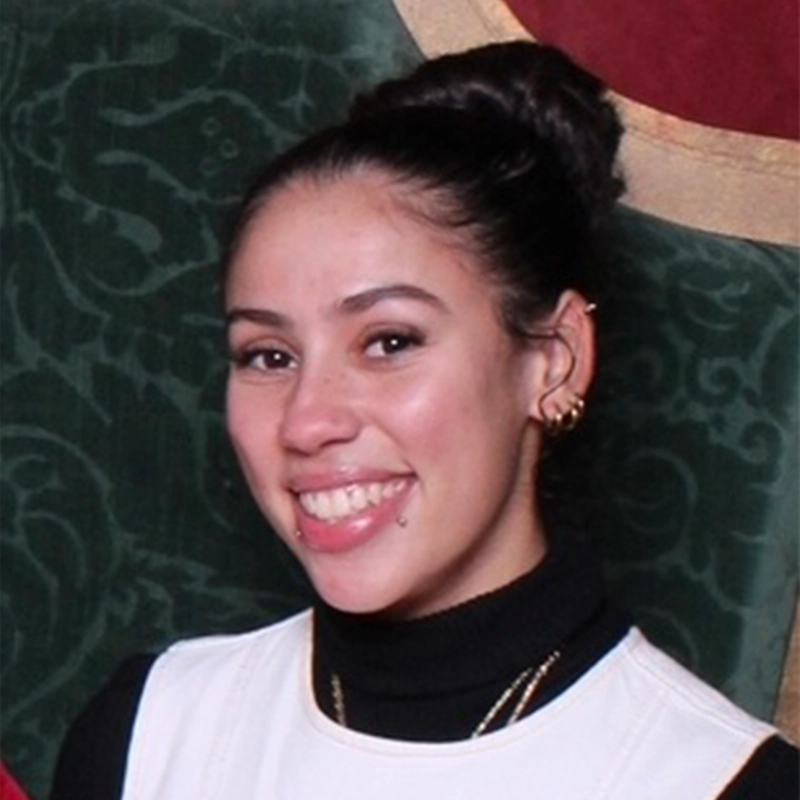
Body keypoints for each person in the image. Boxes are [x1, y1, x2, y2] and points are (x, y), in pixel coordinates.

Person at [51, 42, 797, 799]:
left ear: (555, 359)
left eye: (389, 342)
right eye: (269, 356)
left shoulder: (717, 782)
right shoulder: (147, 731)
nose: (307, 422)